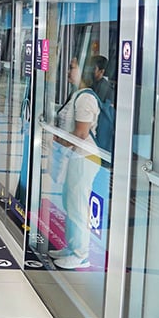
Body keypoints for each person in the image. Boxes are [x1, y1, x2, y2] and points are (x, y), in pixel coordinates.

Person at [49, 57, 101, 270]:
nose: (68, 71)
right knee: (70, 201)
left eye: (72, 68)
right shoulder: (77, 95)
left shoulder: (86, 99)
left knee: (78, 205)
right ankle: (72, 247)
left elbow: (81, 132)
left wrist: (59, 139)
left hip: (84, 158)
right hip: (75, 156)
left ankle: (81, 254)